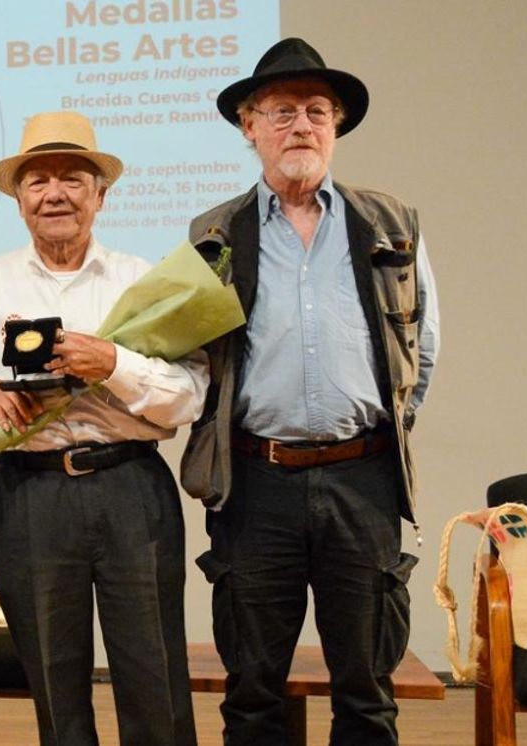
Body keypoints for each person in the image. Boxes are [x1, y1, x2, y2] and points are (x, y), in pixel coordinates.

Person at [183, 38, 440, 745]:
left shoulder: (391, 225)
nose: (303, 125)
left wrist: (372, 434)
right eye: (284, 110)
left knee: (366, 691)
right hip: (255, 483)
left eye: (318, 111)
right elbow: (194, 362)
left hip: (364, 481)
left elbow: (421, 351)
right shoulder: (212, 235)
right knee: (254, 691)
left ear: (336, 126)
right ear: (249, 125)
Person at [0, 110, 208, 746]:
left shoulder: (144, 281)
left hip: (130, 488)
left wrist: (113, 363)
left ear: (101, 194)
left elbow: (189, 400)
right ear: (18, 200)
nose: (55, 193)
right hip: (27, 492)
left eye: (73, 178)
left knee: (153, 673)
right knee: (53, 681)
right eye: (37, 180)